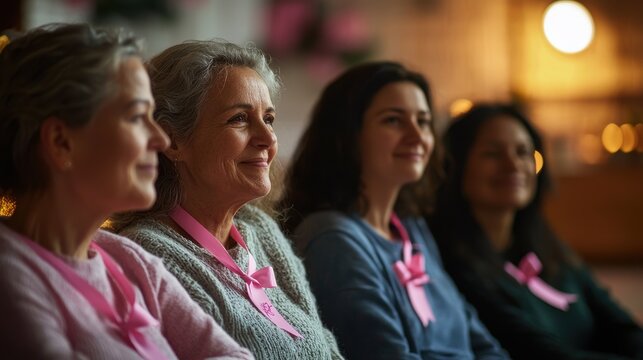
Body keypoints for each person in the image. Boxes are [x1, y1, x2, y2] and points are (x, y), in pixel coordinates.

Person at [0, 23, 253, 359]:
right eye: (136, 117)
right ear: (62, 143)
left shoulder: (127, 259)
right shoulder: (10, 278)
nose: (161, 139)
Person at [111, 40, 343, 359]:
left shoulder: (261, 231)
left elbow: (326, 349)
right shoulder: (150, 256)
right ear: (172, 140)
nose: (267, 138)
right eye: (239, 119)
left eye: (269, 118)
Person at [277, 61, 508, 359]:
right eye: (394, 121)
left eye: (423, 122)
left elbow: (479, 339)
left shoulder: (411, 229)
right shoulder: (331, 238)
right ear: (347, 135)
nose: (417, 136)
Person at [427, 103, 643, 359]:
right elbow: (539, 354)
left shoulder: (547, 245)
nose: (513, 165)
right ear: (455, 166)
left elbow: (620, 326)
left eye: (522, 152)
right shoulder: (451, 264)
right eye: (492, 154)